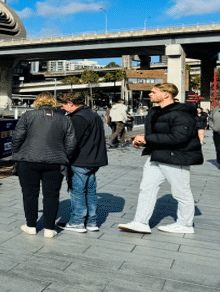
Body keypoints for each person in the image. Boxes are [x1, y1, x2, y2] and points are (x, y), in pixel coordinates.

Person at [118, 83, 203, 234]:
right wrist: (142, 143)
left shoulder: (182, 113)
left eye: (153, 92)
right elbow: (155, 135)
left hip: (176, 157)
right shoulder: (155, 111)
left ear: (166, 94)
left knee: (181, 193)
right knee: (146, 189)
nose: (150, 94)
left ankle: (185, 224)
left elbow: (179, 138)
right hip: (156, 156)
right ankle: (140, 222)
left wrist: (147, 139)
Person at [11, 92, 76, 238]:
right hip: (55, 162)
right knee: (52, 195)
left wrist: (17, 152)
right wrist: (65, 156)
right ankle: (49, 229)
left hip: (28, 160)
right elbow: (71, 143)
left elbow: (17, 137)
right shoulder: (64, 119)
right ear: (53, 103)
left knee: (29, 194)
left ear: (37, 102)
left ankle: (31, 226)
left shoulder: (28, 116)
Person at [59, 92, 108, 233]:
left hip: (81, 160)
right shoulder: (93, 115)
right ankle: (92, 222)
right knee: (91, 191)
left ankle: (77, 222)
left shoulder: (78, 118)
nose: (62, 108)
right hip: (94, 159)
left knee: (77, 192)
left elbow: (72, 142)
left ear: (70, 103)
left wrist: (65, 157)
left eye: (63, 104)